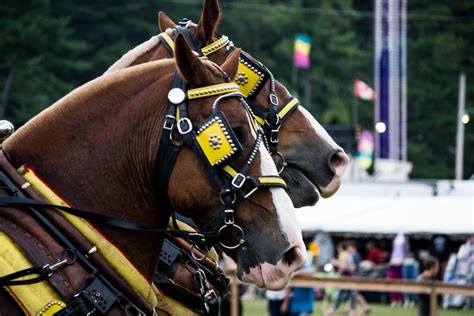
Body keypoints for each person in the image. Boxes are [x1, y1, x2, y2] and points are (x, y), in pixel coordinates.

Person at [326, 241, 357, 316]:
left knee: (342, 294)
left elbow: (343, 266)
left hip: (344, 277)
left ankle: (333, 310)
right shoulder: (350, 255)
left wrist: (334, 262)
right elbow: (353, 267)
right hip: (350, 276)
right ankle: (352, 311)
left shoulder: (342, 254)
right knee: (350, 294)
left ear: (340, 248)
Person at [281, 251, 316, 316]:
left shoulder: (307, 267)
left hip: (305, 307)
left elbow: (311, 272)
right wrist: (285, 303)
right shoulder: (293, 268)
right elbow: (289, 288)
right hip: (295, 306)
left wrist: (296, 273)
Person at [348, 240, 370, 314]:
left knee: (354, 293)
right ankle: (350, 309)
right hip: (358, 276)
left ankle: (365, 306)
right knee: (353, 293)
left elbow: (353, 268)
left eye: (349, 247)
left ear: (353, 247)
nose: (348, 249)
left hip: (355, 276)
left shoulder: (354, 255)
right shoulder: (357, 255)